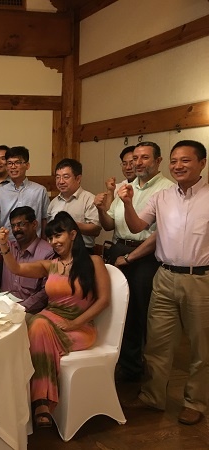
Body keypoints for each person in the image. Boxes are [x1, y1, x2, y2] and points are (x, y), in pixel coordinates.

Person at [119, 140, 209, 426]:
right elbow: (136, 227)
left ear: (202, 163)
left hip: (201, 280)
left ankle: (195, 402)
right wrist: (127, 202)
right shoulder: (163, 197)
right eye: (174, 161)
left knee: (200, 347)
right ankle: (152, 396)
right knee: (157, 343)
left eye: (186, 160)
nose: (178, 166)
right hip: (164, 276)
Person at [0, 211, 110, 428]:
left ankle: (41, 402)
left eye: (58, 236)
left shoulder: (94, 261)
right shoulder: (51, 265)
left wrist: (75, 323)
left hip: (78, 327)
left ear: (73, 235)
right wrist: (4, 246)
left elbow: (103, 300)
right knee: (21, 325)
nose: (54, 242)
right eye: (50, 238)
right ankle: (15, 394)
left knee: (37, 325)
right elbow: (16, 268)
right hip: (49, 320)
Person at [95, 141, 173, 383]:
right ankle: (119, 361)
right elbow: (110, 225)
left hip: (144, 255)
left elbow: (157, 234)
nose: (138, 163)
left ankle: (136, 371)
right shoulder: (125, 187)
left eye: (144, 158)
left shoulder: (166, 190)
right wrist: (100, 208)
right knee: (116, 309)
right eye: (135, 158)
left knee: (139, 312)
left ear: (158, 161)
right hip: (118, 249)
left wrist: (129, 258)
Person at [0, 206, 55, 314]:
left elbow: (45, 293)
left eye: (21, 224)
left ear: (34, 224)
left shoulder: (48, 252)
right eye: (13, 225)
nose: (16, 229)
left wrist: (20, 308)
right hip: (2, 306)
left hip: (29, 311)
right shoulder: (8, 247)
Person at [0, 146, 49, 239]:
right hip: (7, 243)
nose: (13, 166)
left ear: (27, 165)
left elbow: (45, 219)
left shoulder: (40, 191)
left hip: (34, 245)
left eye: (17, 162)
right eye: (10, 163)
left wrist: (44, 243)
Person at [48, 158, 100, 253]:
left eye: (66, 177)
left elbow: (95, 229)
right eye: (58, 177)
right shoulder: (53, 202)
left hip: (82, 251)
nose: (61, 181)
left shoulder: (89, 199)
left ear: (78, 178)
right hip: (56, 251)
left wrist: (69, 225)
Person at [97, 146, 136, 211]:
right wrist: (110, 191)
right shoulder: (118, 187)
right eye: (124, 164)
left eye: (131, 163)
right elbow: (109, 215)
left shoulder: (144, 186)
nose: (128, 167)